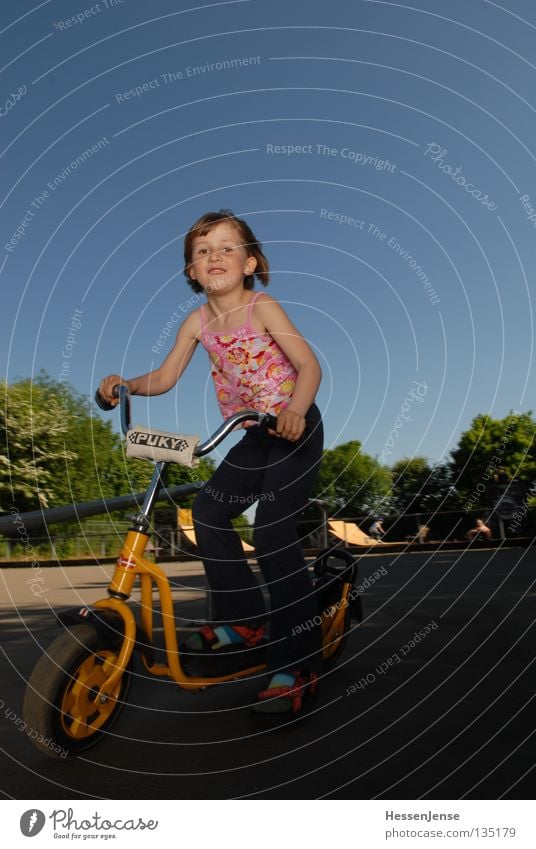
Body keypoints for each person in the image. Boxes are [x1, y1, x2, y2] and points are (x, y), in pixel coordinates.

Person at [98, 209, 324, 716]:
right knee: (208, 512)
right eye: (202, 252)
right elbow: (165, 375)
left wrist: (294, 410)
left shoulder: (263, 306)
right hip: (252, 435)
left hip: (294, 427)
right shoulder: (196, 322)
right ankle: (245, 620)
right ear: (191, 273)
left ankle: (298, 661)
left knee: (271, 534)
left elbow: (309, 365)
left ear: (250, 263)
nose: (214, 256)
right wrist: (128, 385)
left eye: (226, 247)